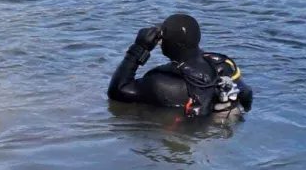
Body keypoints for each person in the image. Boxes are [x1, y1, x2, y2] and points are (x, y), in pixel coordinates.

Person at [107, 14, 253, 118]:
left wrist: (138, 48)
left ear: (172, 45)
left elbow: (117, 91)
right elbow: (246, 93)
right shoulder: (223, 65)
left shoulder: (160, 82)